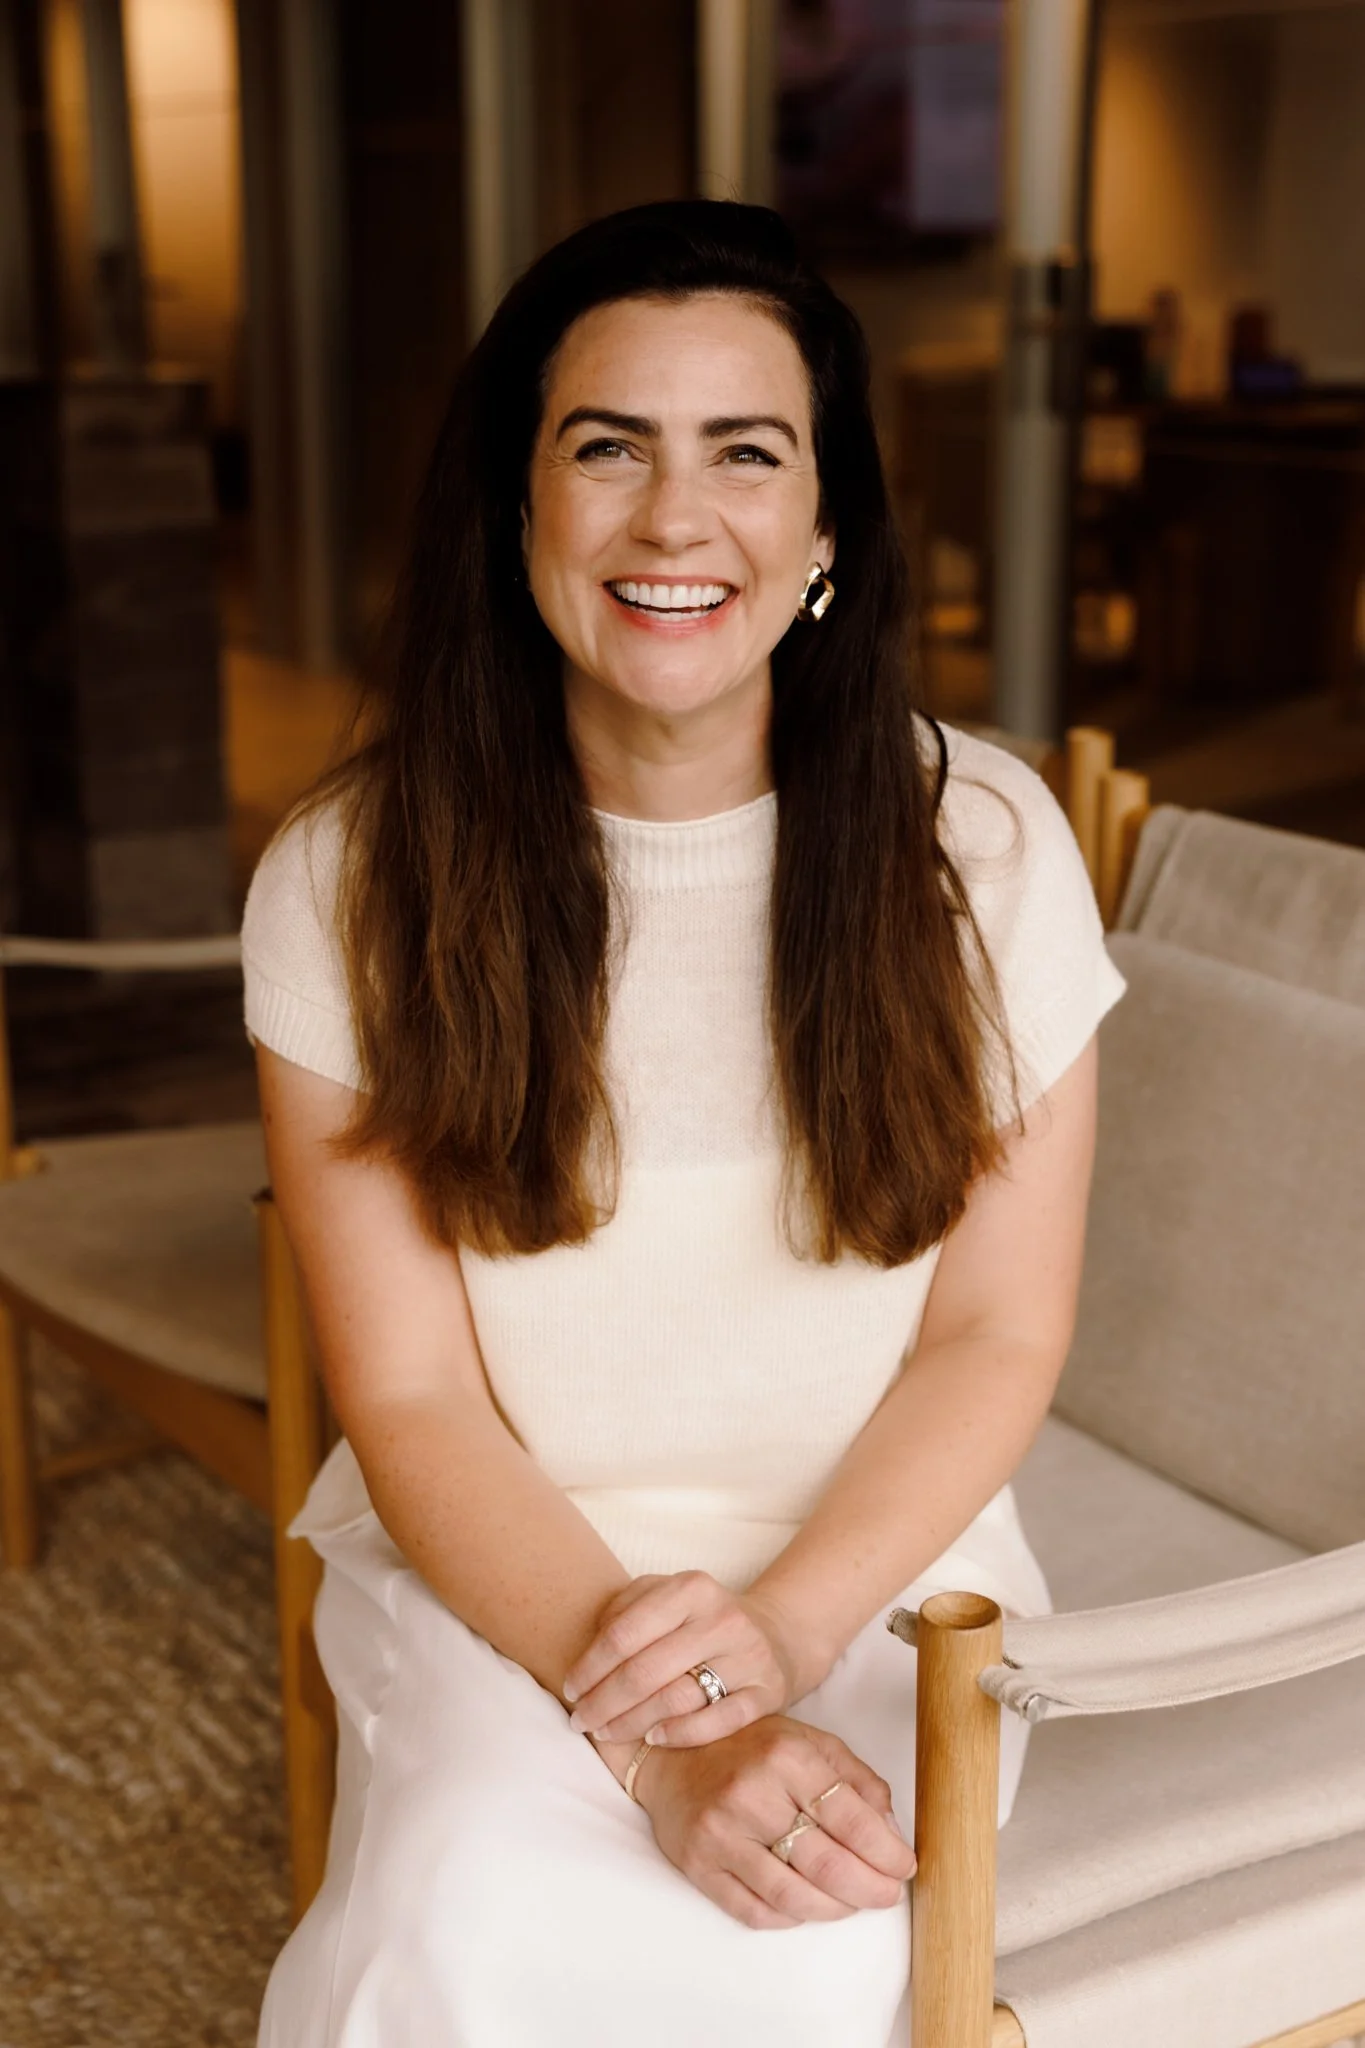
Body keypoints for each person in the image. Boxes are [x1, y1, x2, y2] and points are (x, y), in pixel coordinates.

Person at [242, 200, 1125, 2047]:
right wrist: (669, 1733)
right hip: (500, 1568)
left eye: (746, 452)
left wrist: (785, 1636)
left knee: (813, 1953)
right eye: (607, 448)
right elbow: (409, 1394)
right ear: (518, 508)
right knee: (468, 1923)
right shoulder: (346, 879)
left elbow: (995, 1332)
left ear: (828, 524)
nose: (673, 519)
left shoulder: (985, 849)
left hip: (885, 1568)